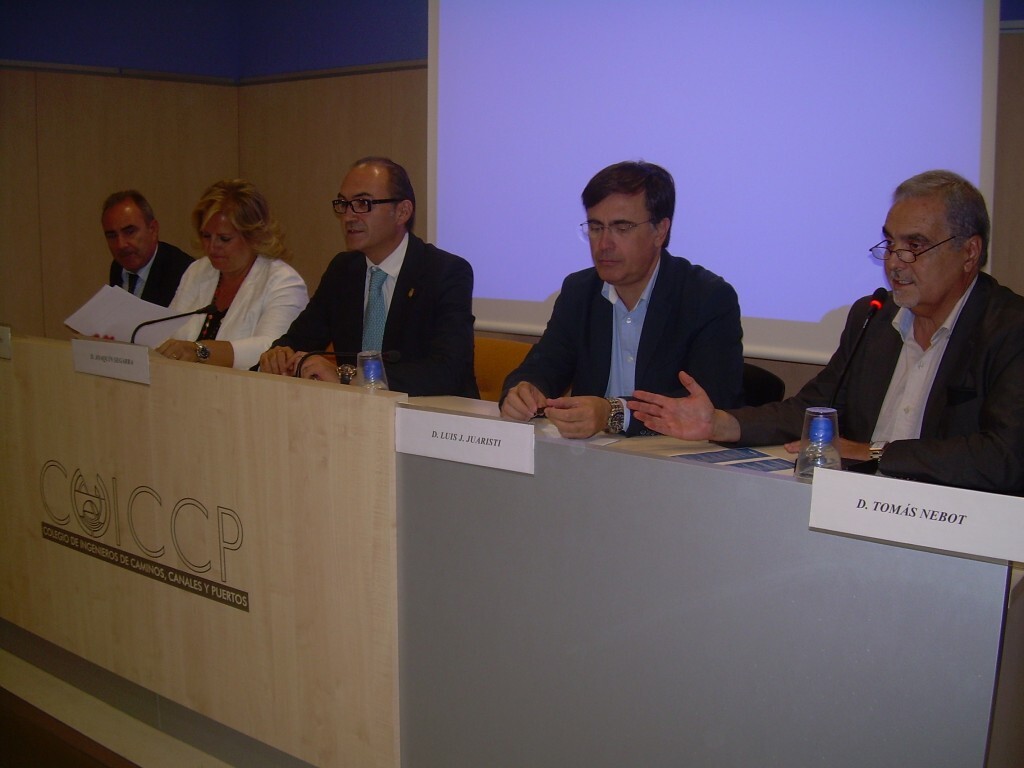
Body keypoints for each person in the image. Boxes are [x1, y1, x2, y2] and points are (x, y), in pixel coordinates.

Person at [629, 170, 1024, 494]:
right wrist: (719, 424)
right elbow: (812, 409)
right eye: (889, 243)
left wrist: (873, 453)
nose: (894, 263)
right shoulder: (873, 319)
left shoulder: (1008, 328)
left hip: (959, 528)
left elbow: (1005, 457)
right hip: (859, 509)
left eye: (914, 245)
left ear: (969, 253)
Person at [499, 160, 744, 439]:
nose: (604, 244)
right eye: (595, 227)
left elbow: (708, 405)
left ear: (660, 231)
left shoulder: (707, 297)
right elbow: (543, 367)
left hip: (671, 463)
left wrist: (613, 412)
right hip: (588, 461)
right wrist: (524, 390)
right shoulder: (579, 292)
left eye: (622, 227)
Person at [258, 157, 478, 397]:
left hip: (430, 418)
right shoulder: (342, 270)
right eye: (343, 203)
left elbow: (447, 371)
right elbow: (299, 338)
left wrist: (348, 377)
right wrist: (280, 353)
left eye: (363, 203)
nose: (348, 216)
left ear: (402, 212)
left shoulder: (445, 272)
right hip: (354, 416)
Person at [155, 180, 309, 370]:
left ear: (253, 235)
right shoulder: (198, 270)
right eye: (206, 236)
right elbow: (167, 333)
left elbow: (272, 349)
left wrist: (199, 351)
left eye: (224, 238)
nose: (212, 247)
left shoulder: (284, 282)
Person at [102, 190, 193, 307]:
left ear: (153, 229)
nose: (121, 244)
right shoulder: (118, 267)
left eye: (129, 232)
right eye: (112, 236)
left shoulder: (183, 272)